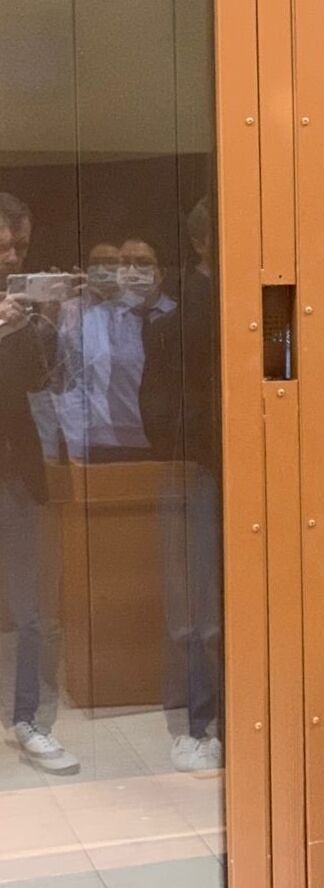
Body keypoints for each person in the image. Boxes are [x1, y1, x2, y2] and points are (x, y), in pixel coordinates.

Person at [141, 197, 224, 772]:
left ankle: (224, 718)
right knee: (198, 604)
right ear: (200, 242)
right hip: (198, 467)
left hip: (238, 470)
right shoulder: (180, 318)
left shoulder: (251, 306)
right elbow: (156, 408)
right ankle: (198, 723)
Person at [0, 192, 79, 775]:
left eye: (20, 248)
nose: (11, 258)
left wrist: (53, 322)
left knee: (32, 611)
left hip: (17, 474)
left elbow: (53, 383)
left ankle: (28, 719)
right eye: (1, 247)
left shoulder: (27, 316)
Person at [58, 237, 176, 462]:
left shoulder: (179, 317)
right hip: (108, 444)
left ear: (161, 273)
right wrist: (75, 445)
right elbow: (76, 384)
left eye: (142, 263)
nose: (132, 270)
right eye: (124, 263)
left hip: (169, 443)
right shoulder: (96, 318)